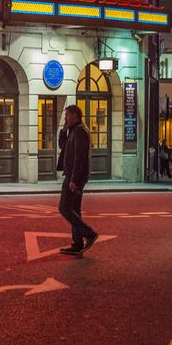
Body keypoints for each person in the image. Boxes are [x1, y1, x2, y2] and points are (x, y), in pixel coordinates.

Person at [57, 105, 98, 256]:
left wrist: (73, 179)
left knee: (64, 208)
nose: (66, 118)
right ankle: (77, 243)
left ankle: (89, 234)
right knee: (74, 210)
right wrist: (63, 130)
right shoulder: (74, 130)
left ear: (75, 115)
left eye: (67, 115)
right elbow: (63, 146)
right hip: (74, 175)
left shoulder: (80, 131)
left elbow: (79, 158)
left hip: (75, 176)